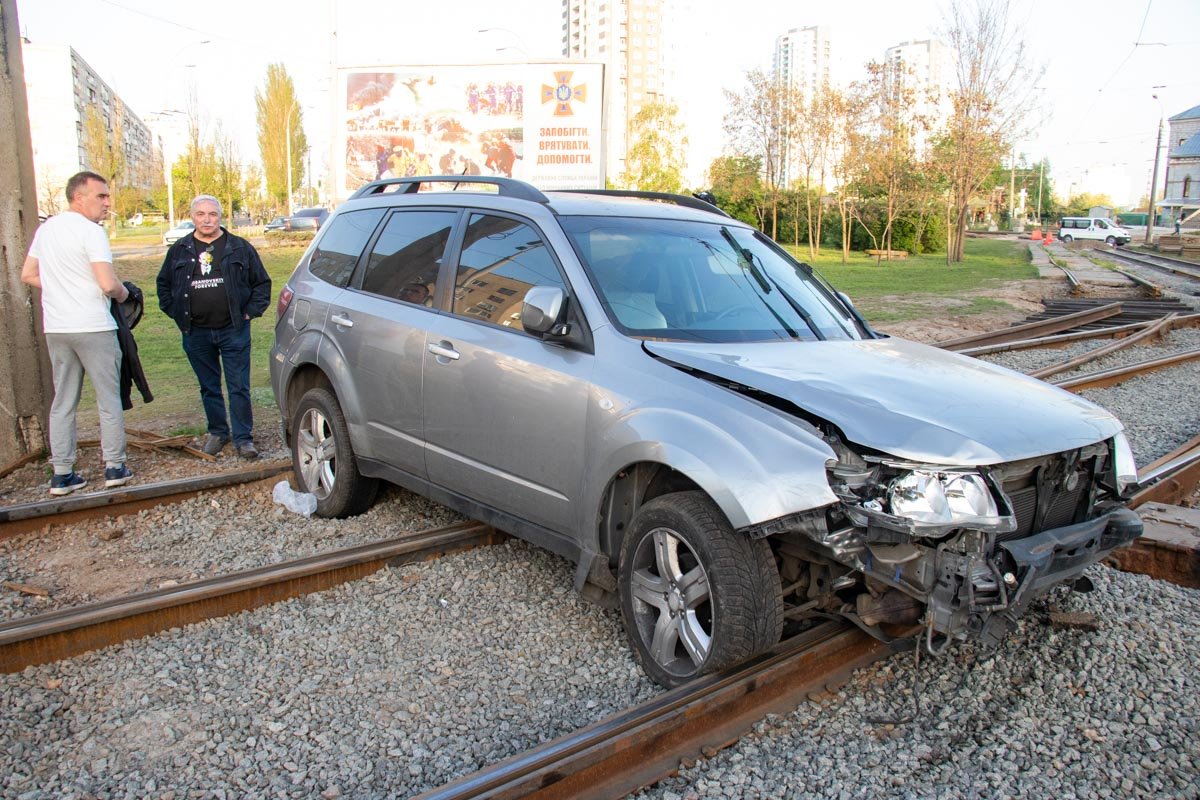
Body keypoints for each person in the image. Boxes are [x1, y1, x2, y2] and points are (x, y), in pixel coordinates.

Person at [21, 171, 133, 495]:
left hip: (57, 329)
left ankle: (62, 473)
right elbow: (107, 283)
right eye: (101, 196)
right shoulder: (91, 232)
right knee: (108, 400)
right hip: (94, 326)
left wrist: (58, 287)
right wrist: (124, 294)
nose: (107, 203)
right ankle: (114, 466)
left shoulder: (46, 229)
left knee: (64, 401)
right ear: (78, 197)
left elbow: (28, 274)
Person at [157, 195, 271, 459]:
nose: (206, 219)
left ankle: (244, 438)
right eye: (200, 214)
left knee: (239, 386)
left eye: (212, 214)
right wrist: (176, 313)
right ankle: (218, 432)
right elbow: (163, 285)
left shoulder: (240, 248)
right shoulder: (180, 250)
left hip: (233, 330)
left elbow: (261, 284)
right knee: (209, 386)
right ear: (192, 216)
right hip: (196, 332)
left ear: (220, 216)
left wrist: (249, 313)